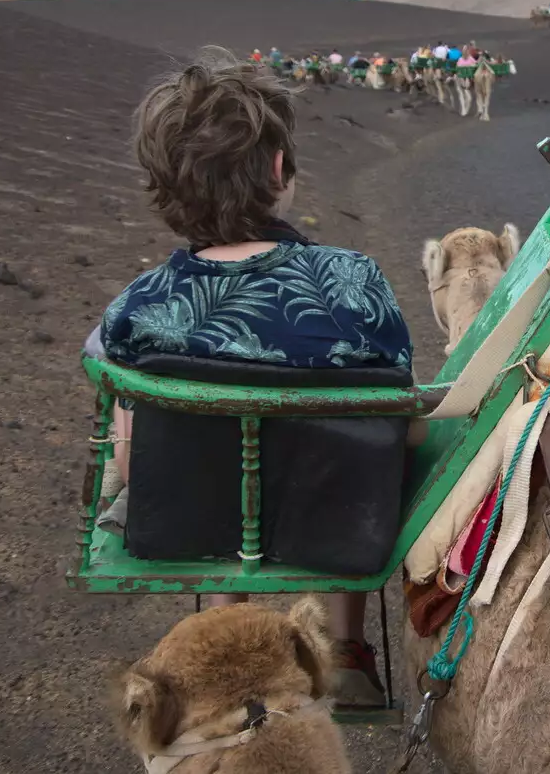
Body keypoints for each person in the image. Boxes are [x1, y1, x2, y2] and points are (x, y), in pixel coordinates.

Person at [92, 47, 411, 707]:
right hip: (336, 512)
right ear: (277, 169)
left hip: (187, 512)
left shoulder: (141, 303)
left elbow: (110, 382)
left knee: (146, 415)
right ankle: (347, 648)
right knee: (362, 433)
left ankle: (222, 620)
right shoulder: (354, 279)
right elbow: (394, 387)